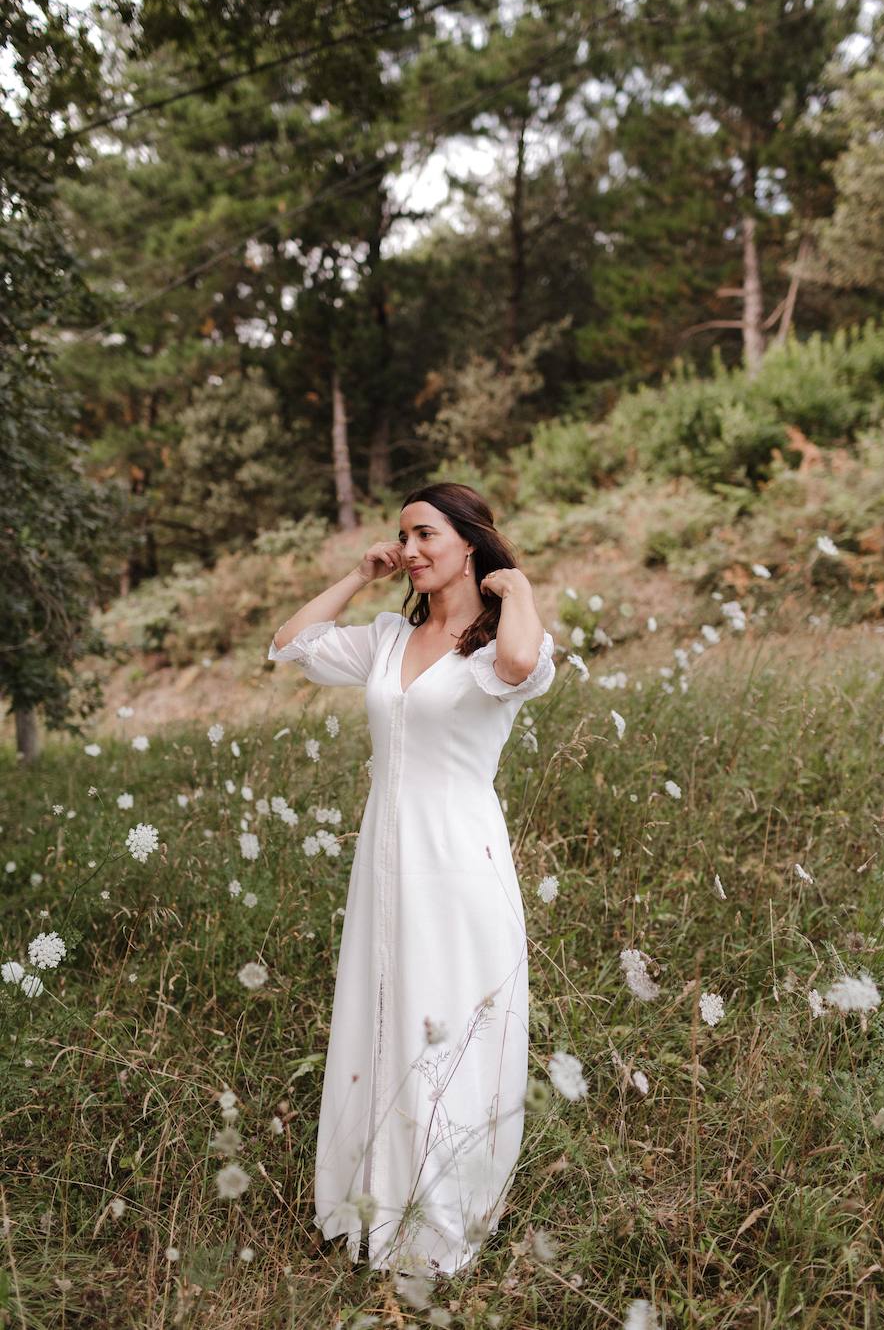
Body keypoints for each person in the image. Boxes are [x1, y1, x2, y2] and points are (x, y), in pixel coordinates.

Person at [267, 482, 556, 1278]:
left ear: (469, 542)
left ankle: (438, 1221)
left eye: (427, 534)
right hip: (384, 861)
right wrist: (360, 575)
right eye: (405, 537)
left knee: (448, 1025)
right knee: (382, 1012)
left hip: (460, 860)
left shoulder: (504, 638)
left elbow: (525, 664)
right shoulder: (390, 636)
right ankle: (372, 1200)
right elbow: (290, 642)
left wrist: (519, 585)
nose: (414, 550)